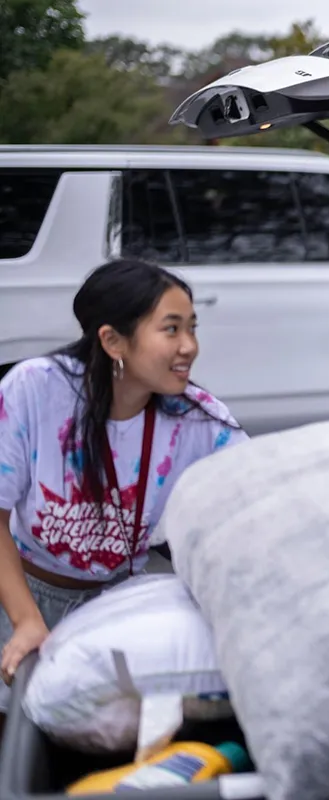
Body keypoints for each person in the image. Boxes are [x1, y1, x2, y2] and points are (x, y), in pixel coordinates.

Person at [0, 259, 248, 721]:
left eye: (192, 328)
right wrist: (25, 621)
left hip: (120, 603)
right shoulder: (34, 389)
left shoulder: (199, 418)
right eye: (170, 329)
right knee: (12, 731)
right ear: (112, 340)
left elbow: (252, 504)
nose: (189, 346)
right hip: (22, 590)